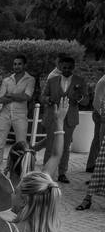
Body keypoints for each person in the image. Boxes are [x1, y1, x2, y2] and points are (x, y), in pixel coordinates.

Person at [40, 56, 87, 184]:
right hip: (53, 117)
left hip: (69, 119)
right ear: (60, 67)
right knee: (50, 145)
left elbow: (86, 101)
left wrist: (79, 98)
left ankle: (62, 173)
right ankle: (46, 172)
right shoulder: (52, 80)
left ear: (73, 67)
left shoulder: (80, 81)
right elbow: (42, 96)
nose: (66, 70)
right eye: (64, 67)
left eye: (69, 68)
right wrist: (48, 100)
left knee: (65, 147)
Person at [0, 56, 35, 172]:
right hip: (5, 114)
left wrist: (10, 95)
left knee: (21, 143)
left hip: (20, 115)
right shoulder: (7, 80)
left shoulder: (30, 79)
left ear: (24, 65)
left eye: (19, 64)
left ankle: (19, 169)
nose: (16, 66)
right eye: (15, 64)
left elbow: (27, 96)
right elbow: (0, 99)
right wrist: (17, 96)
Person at [79, 76, 105, 210]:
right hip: (103, 119)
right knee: (101, 160)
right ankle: (88, 197)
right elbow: (97, 104)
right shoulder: (103, 81)